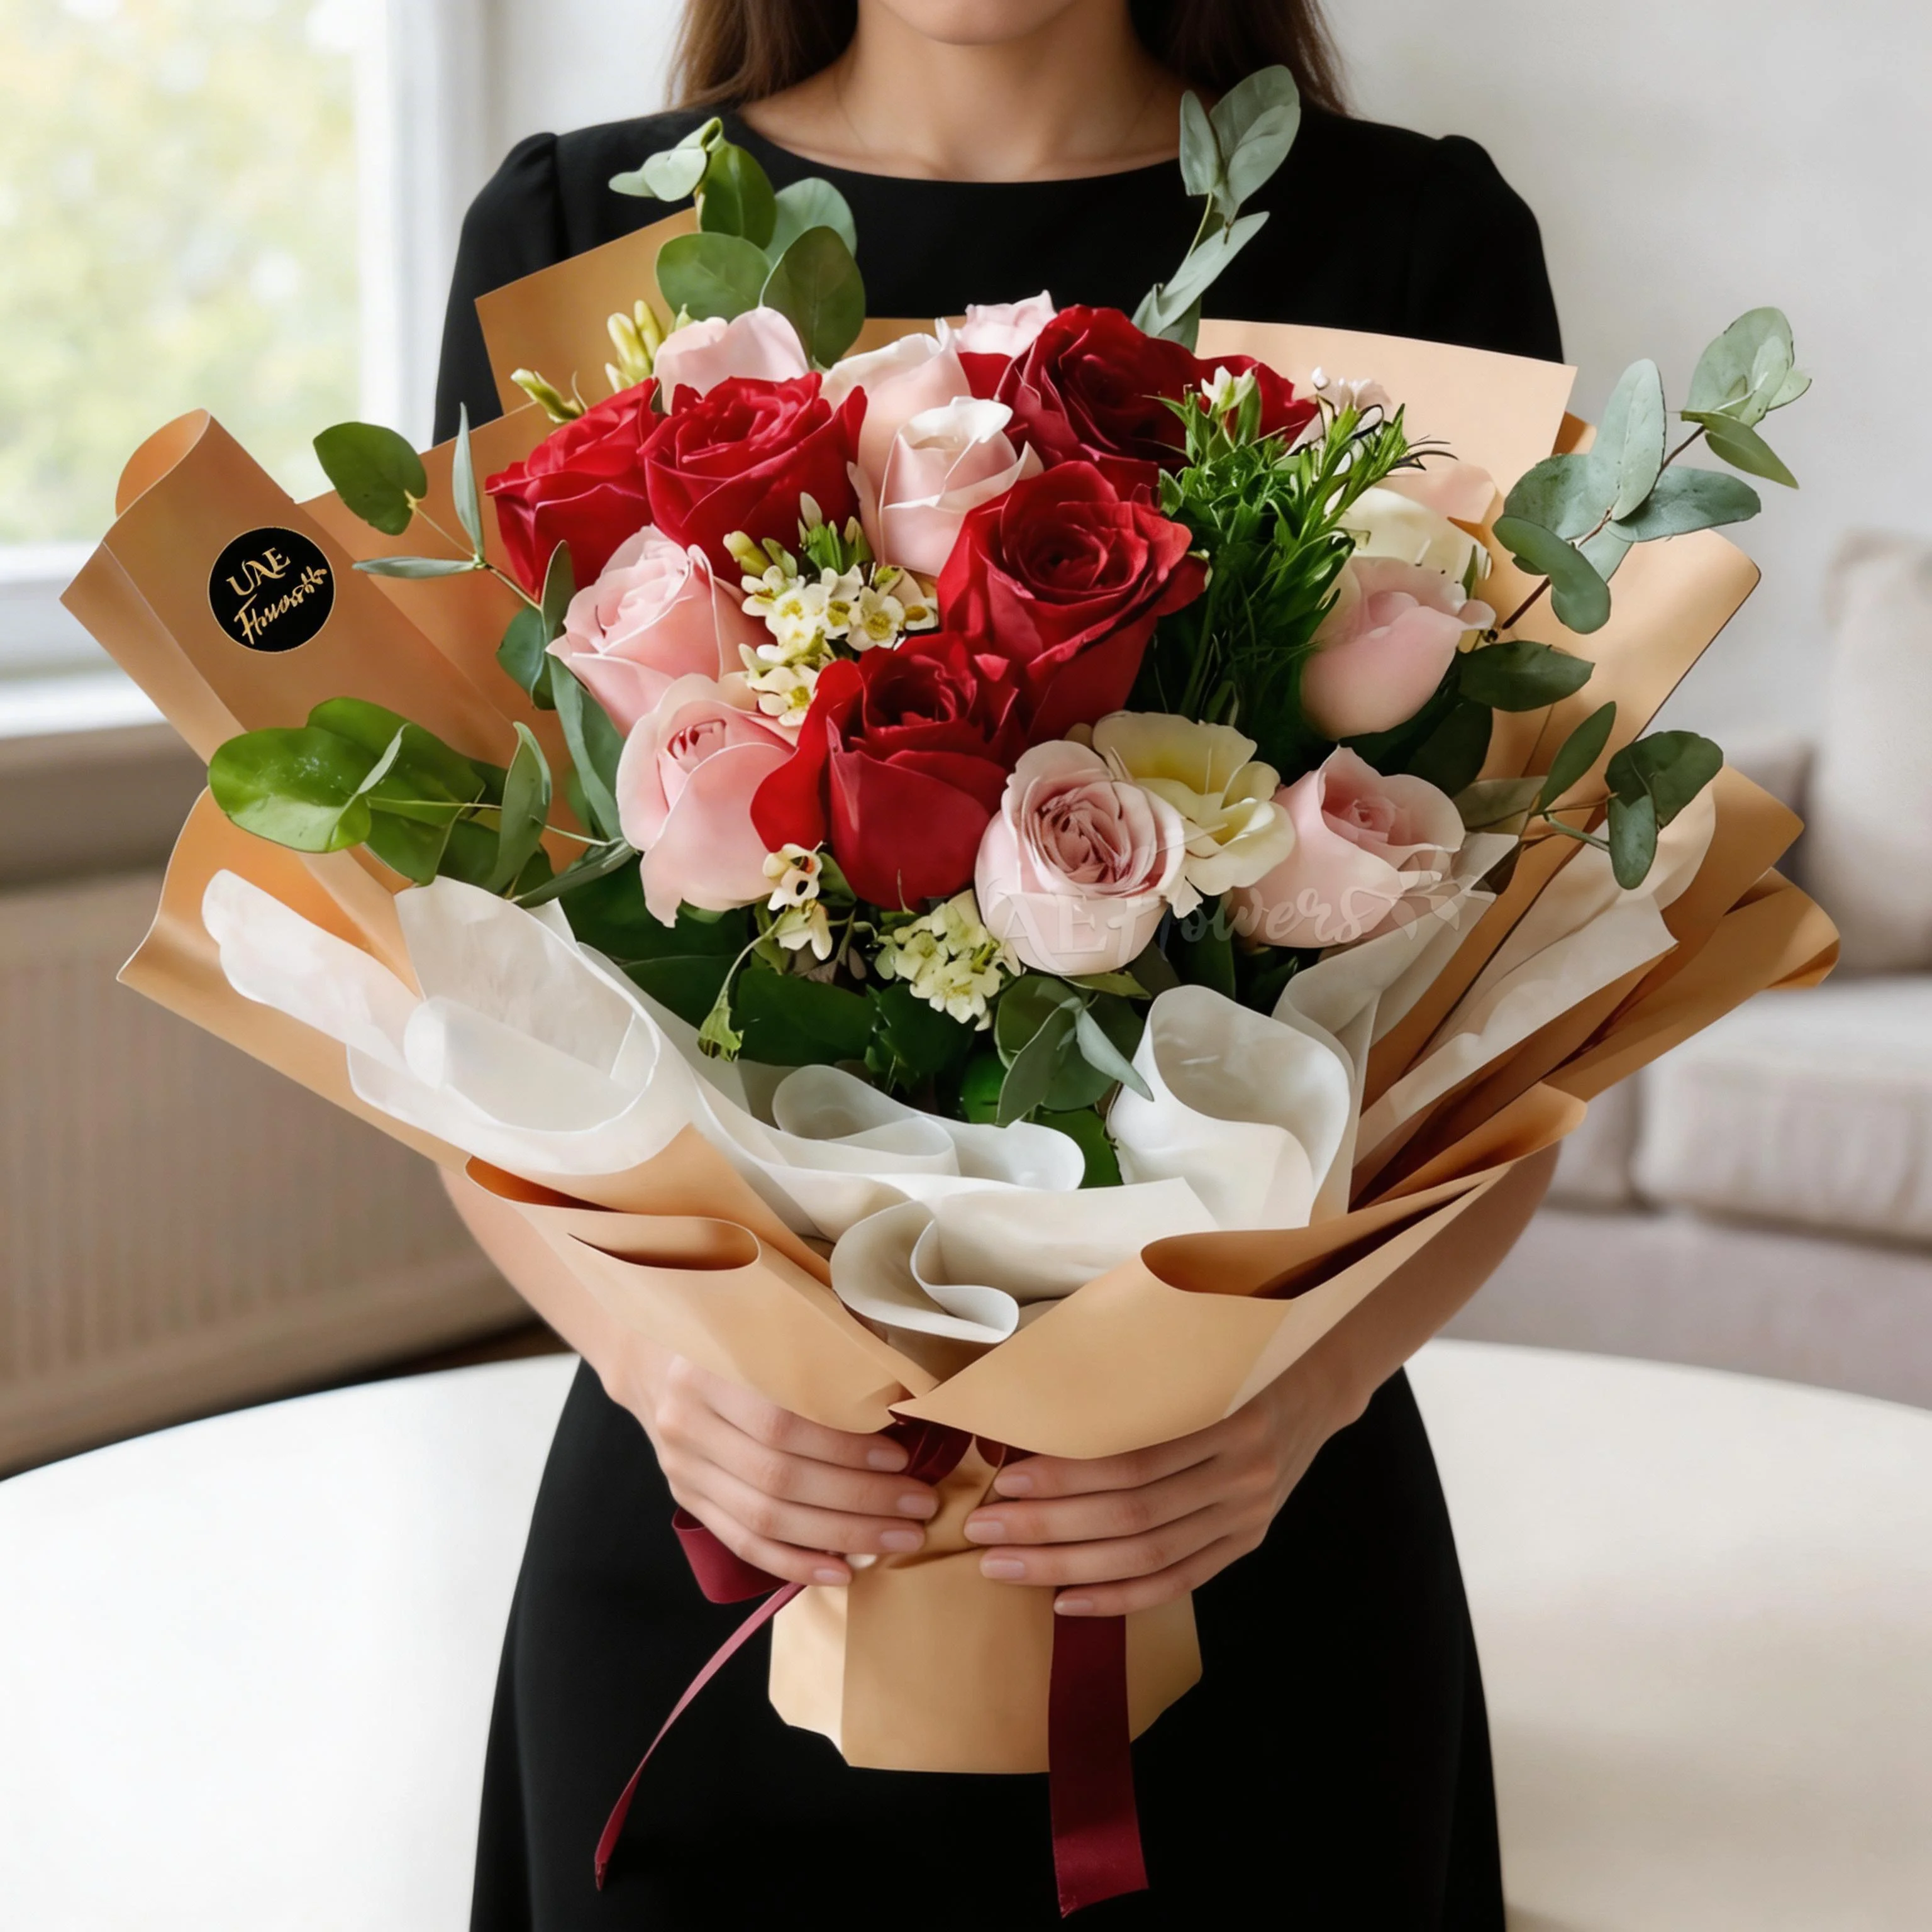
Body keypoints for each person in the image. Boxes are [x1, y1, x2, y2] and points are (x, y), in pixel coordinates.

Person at [436, 4, 1563, 1924]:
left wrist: (1294, 1401)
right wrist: (655, 1358)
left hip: (1242, 1535)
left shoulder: (1409, 246)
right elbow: (460, 968)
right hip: (725, 1519)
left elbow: (1527, 1005)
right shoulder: (574, 239)